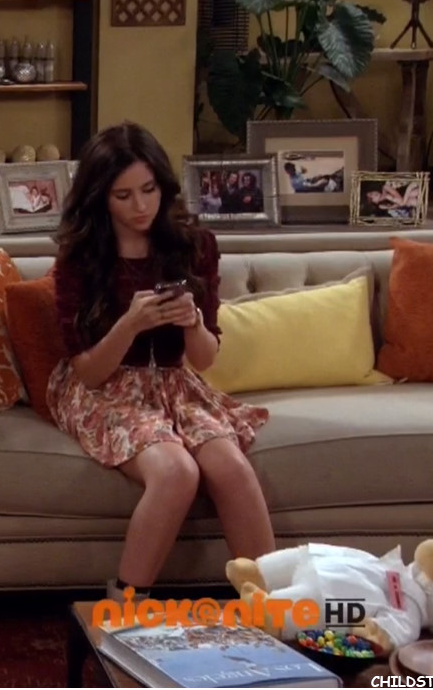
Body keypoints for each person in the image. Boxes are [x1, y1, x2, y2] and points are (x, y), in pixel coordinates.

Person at [49, 122, 275, 602]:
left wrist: (193, 321)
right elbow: (88, 372)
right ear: (100, 198)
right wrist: (130, 324)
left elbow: (204, 359)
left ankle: (272, 608)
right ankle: (126, 608)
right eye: (124, 195)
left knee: (232, 469)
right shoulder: (80, 258)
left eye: (149, 190)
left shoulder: (195, 246)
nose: (141, 206)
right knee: (176, 472)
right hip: (104, 388)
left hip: (175, 384)